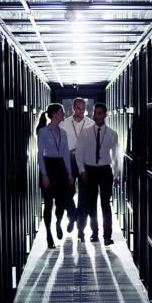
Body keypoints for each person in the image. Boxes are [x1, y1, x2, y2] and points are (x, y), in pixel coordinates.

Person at [75, 103, 121, 246]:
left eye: (100, 113)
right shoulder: (86, 132)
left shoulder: (112, 134)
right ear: (93, 114)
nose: (97, 115)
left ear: (105, 115)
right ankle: (94, 233)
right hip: (89, 171)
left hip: (105, 171)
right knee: (91, 204)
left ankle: (107, 236)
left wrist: (116, 175)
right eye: (96, 113)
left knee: (106, 204)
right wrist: (82, 170)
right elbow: (79, 153)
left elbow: (116, 157)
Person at [36, 103, 74, 248]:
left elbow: (65, 153)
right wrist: (44, 175)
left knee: (61, 202)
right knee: (48, 204)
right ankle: (48, 234)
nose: (64, 115)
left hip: (61, 168)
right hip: (48, 166)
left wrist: (69, 173)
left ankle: (58, 223)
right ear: (55, 114)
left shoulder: (63, 132)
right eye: (62, 112)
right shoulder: (43, 132)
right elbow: (40, 154)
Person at [59, 97, 95, 233]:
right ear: (73, 108)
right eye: (78, 108)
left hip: (85, 163)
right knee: (67, 192)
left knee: (84, 195)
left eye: (83, 108)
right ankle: (72, 216)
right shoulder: (64, 123)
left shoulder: (91, 124)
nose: (81, 111)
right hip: (69, 161)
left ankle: (81, 227)